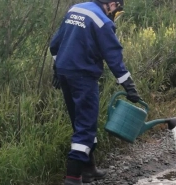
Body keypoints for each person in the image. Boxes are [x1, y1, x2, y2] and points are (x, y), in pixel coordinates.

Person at [49, 0, 141, 184]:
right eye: (118, 9)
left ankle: (89, 170)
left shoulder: (76, 8)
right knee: (86, 125)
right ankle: (73, 178)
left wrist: (57, 69)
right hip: (83, 77)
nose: (115, 13)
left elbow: (55, 43)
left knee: (80, 120)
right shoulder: (102, 22)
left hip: (65, 72)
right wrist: (129, 86)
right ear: (113, 4)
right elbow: (114, 57)